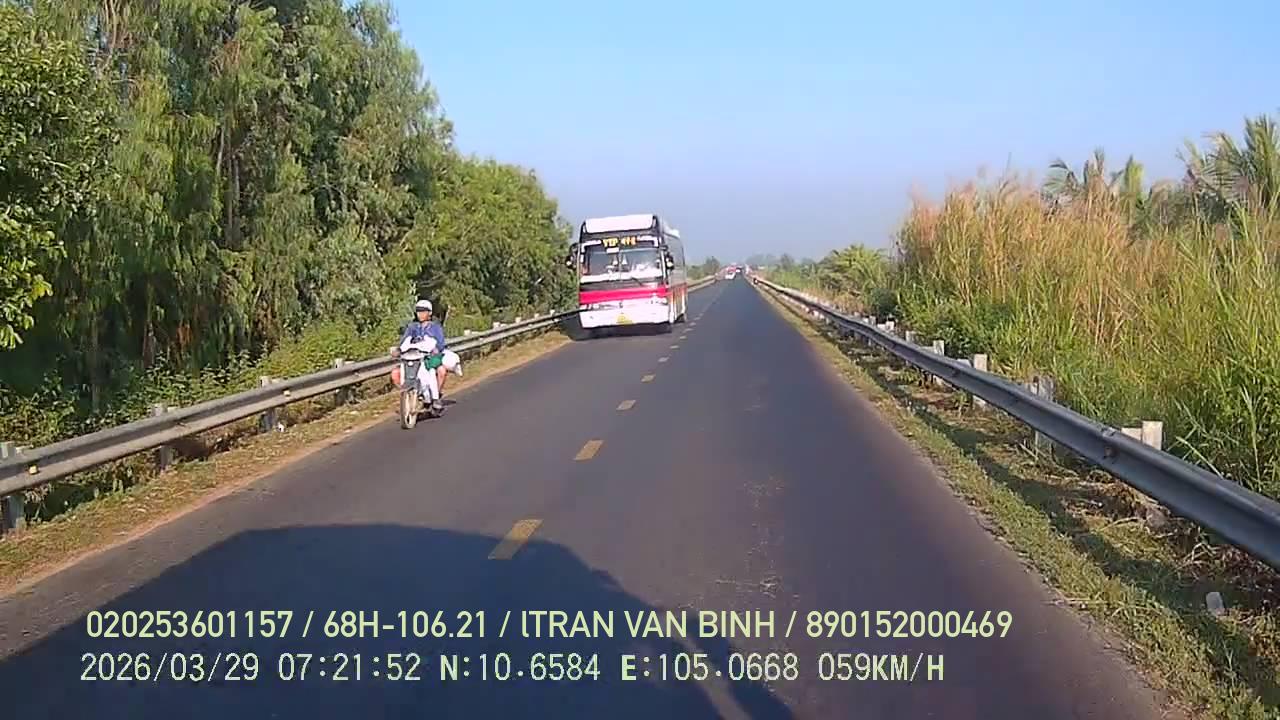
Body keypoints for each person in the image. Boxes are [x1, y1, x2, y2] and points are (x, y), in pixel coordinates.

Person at [398, 299, 461, 409]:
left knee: (440, 371)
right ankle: (409, 395)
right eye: (418, 311)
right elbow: (404, 341)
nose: (421, 314)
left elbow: (440, 344)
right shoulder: (412, 327)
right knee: (396, 374)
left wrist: (435, 349)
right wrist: (399, 349)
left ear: (429, 313)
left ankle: (436, 397)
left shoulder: (435, 327)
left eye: (423, 311)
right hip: (414, 358)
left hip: (429, 358)